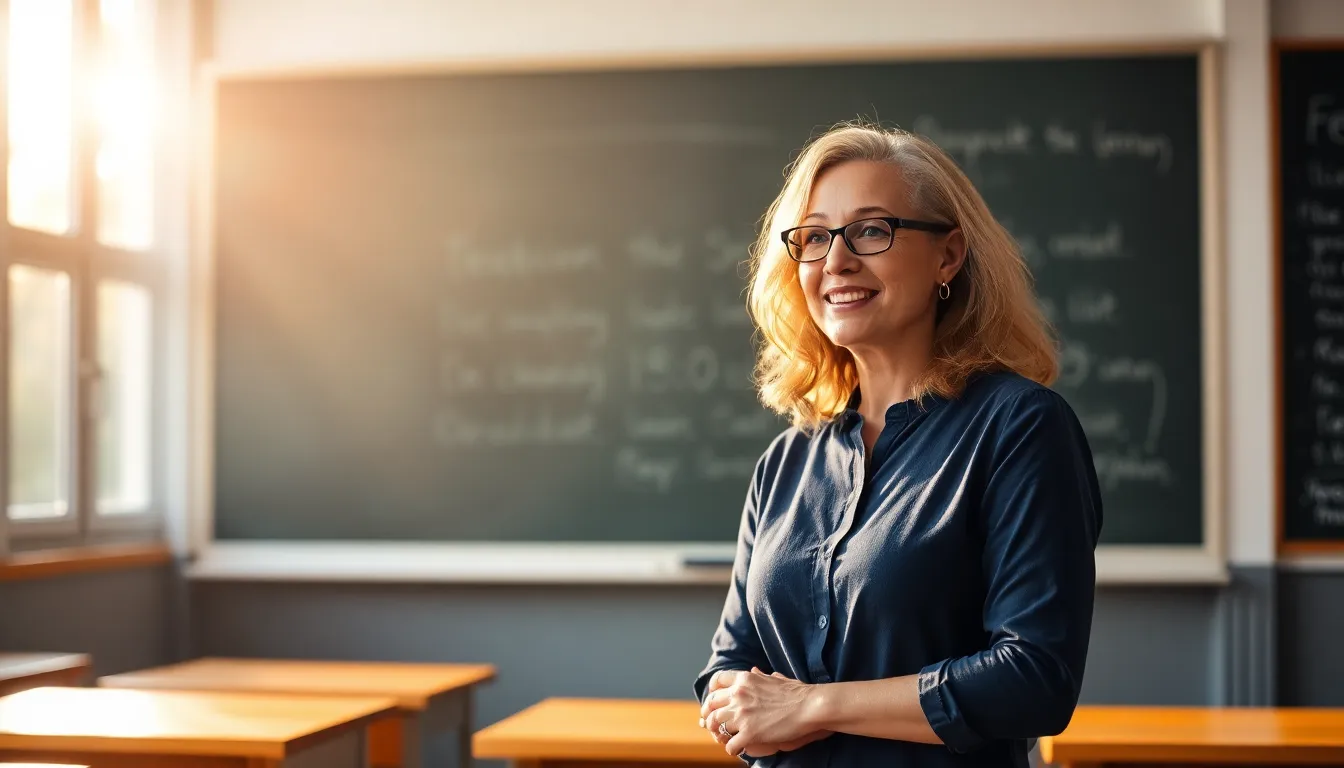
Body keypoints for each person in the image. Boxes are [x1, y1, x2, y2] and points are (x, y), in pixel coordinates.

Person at [694, 122, 1104, 768]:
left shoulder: (1021, 428)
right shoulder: (786, 462)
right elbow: (727, 673)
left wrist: (811, 706)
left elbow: (1034, 681)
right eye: (815, 237)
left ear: (948, 256)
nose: (836, 261)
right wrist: (748, 705)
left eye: (871, 230)